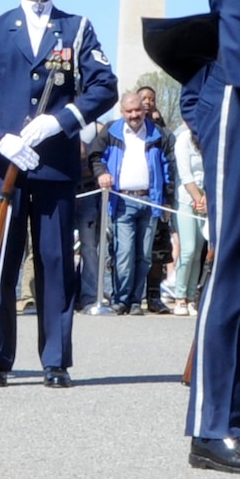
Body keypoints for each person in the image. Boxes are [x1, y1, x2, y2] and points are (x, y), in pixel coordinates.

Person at [0, 0, 118, 388]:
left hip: (55, 163)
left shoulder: (77, 27)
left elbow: (105, 86)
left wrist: (59, 122)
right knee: (2, 261)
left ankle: (55, 359)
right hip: (6, 164)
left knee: (55, 262)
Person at [97, 91, 171, 314]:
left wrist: (168, 200)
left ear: (144, 109)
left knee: (144, 255)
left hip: (151, 200)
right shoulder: (111, 131)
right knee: (124, 253)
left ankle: (137, 301)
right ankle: (121, 299)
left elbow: (169, 167)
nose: (134, 115)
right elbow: (96, 157)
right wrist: (101, 173)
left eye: (138, 110)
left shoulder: (158, 133)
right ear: (122, 112)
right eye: (129, 111)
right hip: (122, 200)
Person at [164, 118, 206, 316]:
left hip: (205, 200)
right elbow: (185, 175)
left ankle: (190, 296)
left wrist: (206, 198)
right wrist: (197, 197)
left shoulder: (207, 139)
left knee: (199, 251)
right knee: (187, 249)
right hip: (186, 199)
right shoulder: (183, 140)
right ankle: (179, 296)